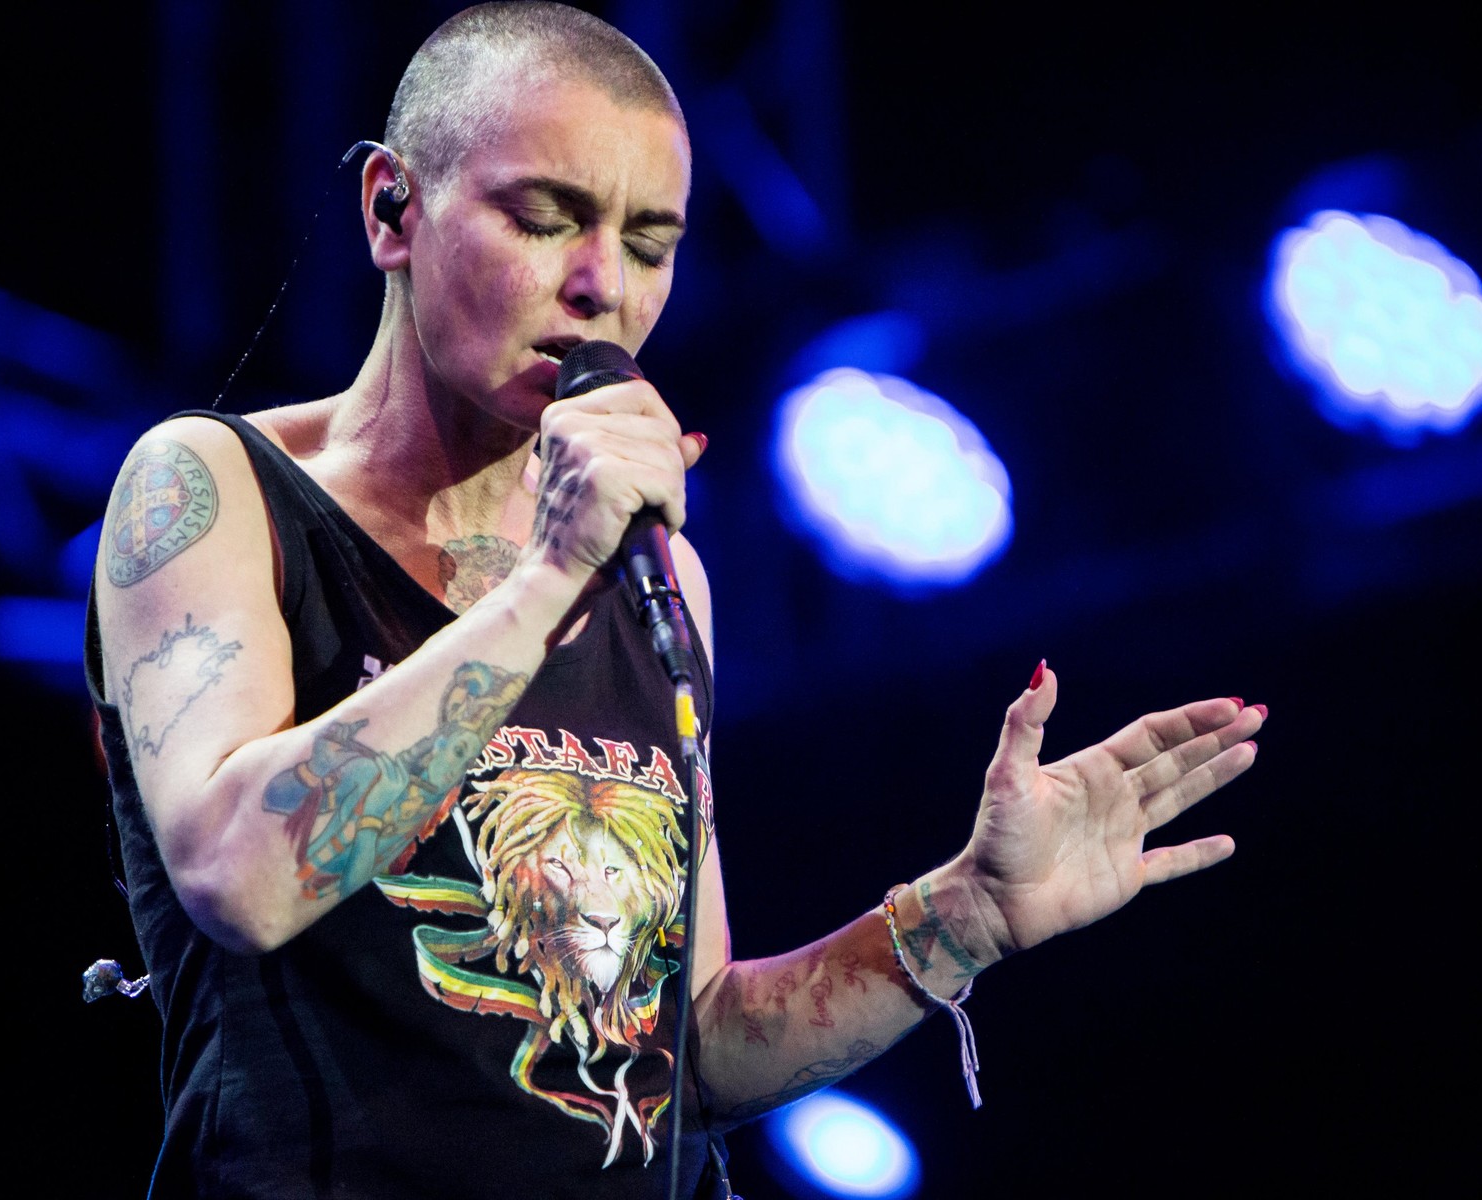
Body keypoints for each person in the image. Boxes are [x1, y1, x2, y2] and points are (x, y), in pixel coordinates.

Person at [85, 4, 1267, 1197]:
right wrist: (549, 578)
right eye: (544, 220)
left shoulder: (663, 576)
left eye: (649, 245)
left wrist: (966, 915)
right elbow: (237, 876)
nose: (601, 284)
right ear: (393, 209)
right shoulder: (211, 487)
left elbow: (686, 1052)